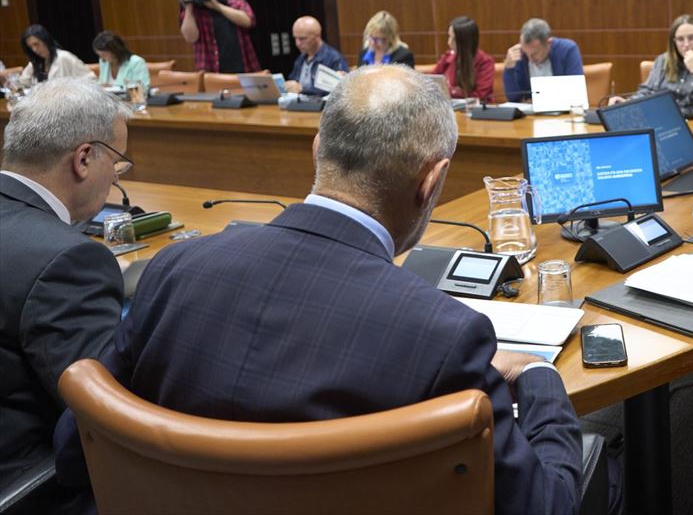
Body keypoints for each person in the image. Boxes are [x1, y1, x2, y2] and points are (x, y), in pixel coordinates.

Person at [54, 66, 581, 514]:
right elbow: (546, 505)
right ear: (432, 182)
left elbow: (75, 448)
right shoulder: (446, 334)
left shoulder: (174, 269)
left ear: (316, 149)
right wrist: (538, 378)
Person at [1, 79, 130, 514]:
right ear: (83, 158)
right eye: (117, 162)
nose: (116, 178)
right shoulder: (68, 260)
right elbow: (102, 420)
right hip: (31, 488)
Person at [610, 14, 693, 114]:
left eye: (691, 38)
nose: (686, 44)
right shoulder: (662, 61)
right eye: (680, 39)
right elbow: (647, 92)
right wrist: (626, 103)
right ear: (674, 42)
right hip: (666, 121)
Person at [178, 0, 260, 74]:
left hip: (244, 70)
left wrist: (217, 6)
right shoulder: (196, 11)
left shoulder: (237, 4)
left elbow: (248, 21)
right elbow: (190, 38)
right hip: (211, 73)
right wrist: (188, 5)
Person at [502, 18, 584, 102]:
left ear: (549, 43)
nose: (530, 59)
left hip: (564, 112)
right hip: (530, 114)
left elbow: (575, 92)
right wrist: (509, 69)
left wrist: (539, 101)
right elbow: (513, 98)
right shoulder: (520, 55)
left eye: (535, 54)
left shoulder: (568, 49)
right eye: (526, 53)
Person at [432, 15, 494, 101]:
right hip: (448, 108)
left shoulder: (485, 62)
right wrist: (455, 91)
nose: (448, 42)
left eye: (454, 39)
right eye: (449, 36)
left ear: (465, 42)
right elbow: (431, 83)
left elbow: (479, 96)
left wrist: (451, 91)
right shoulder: (447, 57)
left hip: (475, 112)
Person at [285, 15, 348, 95]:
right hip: (299, 103)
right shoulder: (301, 58)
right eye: (295, 38)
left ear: (317, 36)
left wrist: (302, 89)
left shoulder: (334, 58)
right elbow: (293, 81)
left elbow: (340, 89)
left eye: (302, 38)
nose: (297, 43)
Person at [18, 25, 94, 84]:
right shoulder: (34, 63)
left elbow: (90, 79)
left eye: (36, 44)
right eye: (31, 47)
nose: (34, 49)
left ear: (45, 40)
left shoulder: (64, 57)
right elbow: (22, 83)